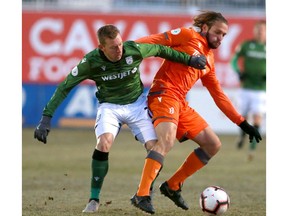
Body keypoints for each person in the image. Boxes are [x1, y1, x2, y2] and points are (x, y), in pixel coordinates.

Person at [33, 24, 207, 213]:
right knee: (104, 143)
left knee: (156, 147)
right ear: (102, 48)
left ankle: (143, 194)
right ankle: (94, 199)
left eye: (120, 44)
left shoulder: (133, 49)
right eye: (114, 47)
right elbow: (65, 86)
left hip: (138, 105)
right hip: (110, 106)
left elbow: (161, 49)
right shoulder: (90, 61)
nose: (120, 50)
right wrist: (46, 117)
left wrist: (189, 60)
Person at [130, 11, 262, 214]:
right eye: (218, 32)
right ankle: (142, 194)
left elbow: (218, 95)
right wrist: (128, 50)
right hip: (164, 94)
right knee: (166, 141)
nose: (220, 38)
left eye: (224, 35)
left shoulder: (209, 59)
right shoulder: (187, 35)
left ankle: (172, 186)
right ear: (206, 28)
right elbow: (151, 41)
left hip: (180, 102)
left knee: (213, 144)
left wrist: (242, 123)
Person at [230, 20, 266, 160]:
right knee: (242, 118)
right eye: (258, 29)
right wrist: (238, 72)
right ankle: (241, 136)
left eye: (263, 30)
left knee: (257, 118)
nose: (260, 32)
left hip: (261, 90)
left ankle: (251, 150)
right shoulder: (246, 45)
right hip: (245, 89)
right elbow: (233, 60)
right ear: (254, 31)